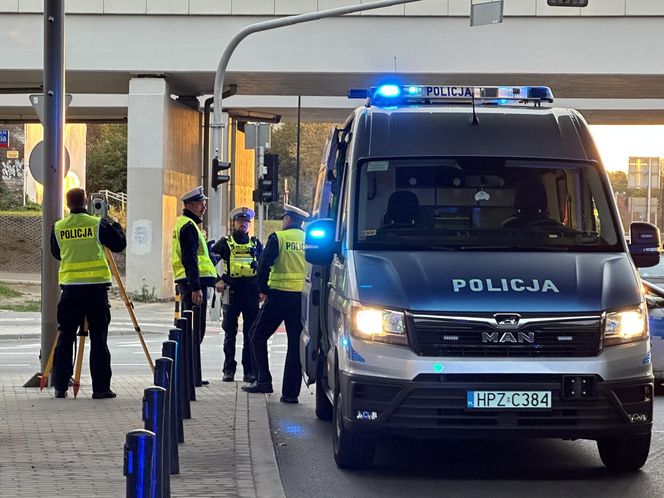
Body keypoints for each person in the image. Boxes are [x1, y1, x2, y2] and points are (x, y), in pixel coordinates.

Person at [50, 188, 126, 399]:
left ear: (67, 204)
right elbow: (119, 244)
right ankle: (100, 388)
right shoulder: (96, 224)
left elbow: (56, 253)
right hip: (95, 289)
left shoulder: (58, 227)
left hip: (70, 290)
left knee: (65, 337)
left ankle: (60, 386)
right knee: (99, 339)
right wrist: (114, 223)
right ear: (86, 202)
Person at [242, 204, 309, 404]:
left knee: (256, 335)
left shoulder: (279, 238)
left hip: (279, 296)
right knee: (295, 344)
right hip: (301, 298)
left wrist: (262, 289)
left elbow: (263, 265)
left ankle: (264, 380)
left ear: (287, 219)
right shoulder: (309, 240)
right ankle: (290, 394)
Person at [211, 207, 263, 383]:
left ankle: (248, 371)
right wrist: (217, 280)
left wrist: (263, 289)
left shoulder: (256, 244)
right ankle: (228, 370)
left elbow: (265, 266)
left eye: (246, 222)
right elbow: (208, 261)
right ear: (233, 223)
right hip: (231, 293)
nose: (243, 225)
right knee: (229, 334)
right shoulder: (225, 243)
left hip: (251, 293)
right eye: (240, 221)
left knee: (250, 334)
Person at [172, 186, 217, 384]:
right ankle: (189, 378)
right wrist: (196, 286)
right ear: (189, 205)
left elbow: (197, 256)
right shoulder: (188, 226)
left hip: (190, 282)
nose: (204, 206)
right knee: (194, 331)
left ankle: (191, 376)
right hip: (192, 285)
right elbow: (190, 258)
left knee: (194, 331)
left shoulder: (187, 224)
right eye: (201, 203)